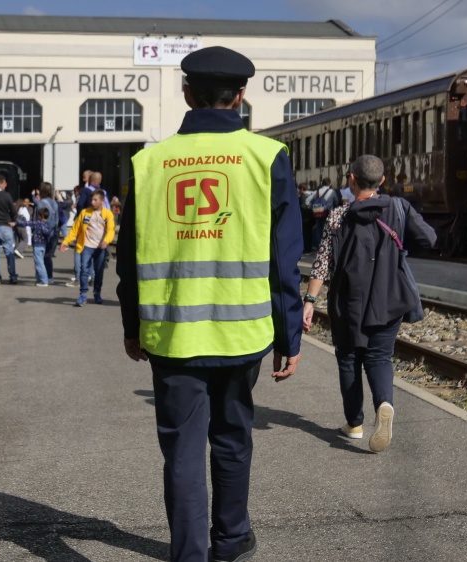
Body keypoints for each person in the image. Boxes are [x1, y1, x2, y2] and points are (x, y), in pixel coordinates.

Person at [116, 46, 302, 562]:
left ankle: (190, 555)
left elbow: (128, 257)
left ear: (185, 92)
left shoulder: (148, 162)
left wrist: (133, 325)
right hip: (243, 335)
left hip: (173, 335)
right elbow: (284, 261)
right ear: (241, 96)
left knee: (181, 449)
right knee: (233, 438)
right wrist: (291, 337)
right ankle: (232, 539)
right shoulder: (267, 158)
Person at [302, 154, 436, 453]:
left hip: (347, 301)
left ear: (351, 180)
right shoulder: (399, 208)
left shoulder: (338, 216)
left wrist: (309, 301)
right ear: (383, 181)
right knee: (379, 357)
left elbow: (322, 264)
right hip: (389, 299)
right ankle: (384, 403)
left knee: (349, 359)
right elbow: (429, 238)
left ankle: (354, 424)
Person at [61, 189, 114, 307]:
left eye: (95, 200)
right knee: (84, 270)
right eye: (92, 200)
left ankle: (97, 293)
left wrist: (106, 241)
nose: (93, 202)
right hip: (87, 246)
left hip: (100, 247)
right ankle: (83, 295)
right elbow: (75, 230)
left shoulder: (107, 214)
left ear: (102, 201)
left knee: (99, 272)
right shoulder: (85, 213)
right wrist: (66, 242)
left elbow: (111, 230)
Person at [17, 207, 53, 286]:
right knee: (39, 263)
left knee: (39, 264)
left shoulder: (38, 223)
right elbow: (49, 238)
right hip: (44, 246)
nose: (37, 217)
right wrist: (48, 250)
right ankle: (39, 279)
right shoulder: (48, 225)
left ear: (41, 216)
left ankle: (44, 281)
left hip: (37, 245)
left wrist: (16, 222)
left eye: (38, 215)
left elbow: (27, 223)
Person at [35, 182, 61, 283]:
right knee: (48, 255)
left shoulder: (40, 203)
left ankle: (41, 277)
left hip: (41, 234)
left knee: (39, 256)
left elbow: (36, 219)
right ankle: (49, 276)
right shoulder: (54, 203)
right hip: (53, 232)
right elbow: (57, 219)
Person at [310, 177, 341, 248]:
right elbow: (336, 201)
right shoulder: (332, 191)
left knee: (318, 230)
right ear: (330, 184)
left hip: (317, 213)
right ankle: (326, 246)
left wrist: (313, 208)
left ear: (322, 183)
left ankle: (319, 246)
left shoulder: (316, 192)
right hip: (327, 213)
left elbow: (308, 201)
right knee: (327, 230)